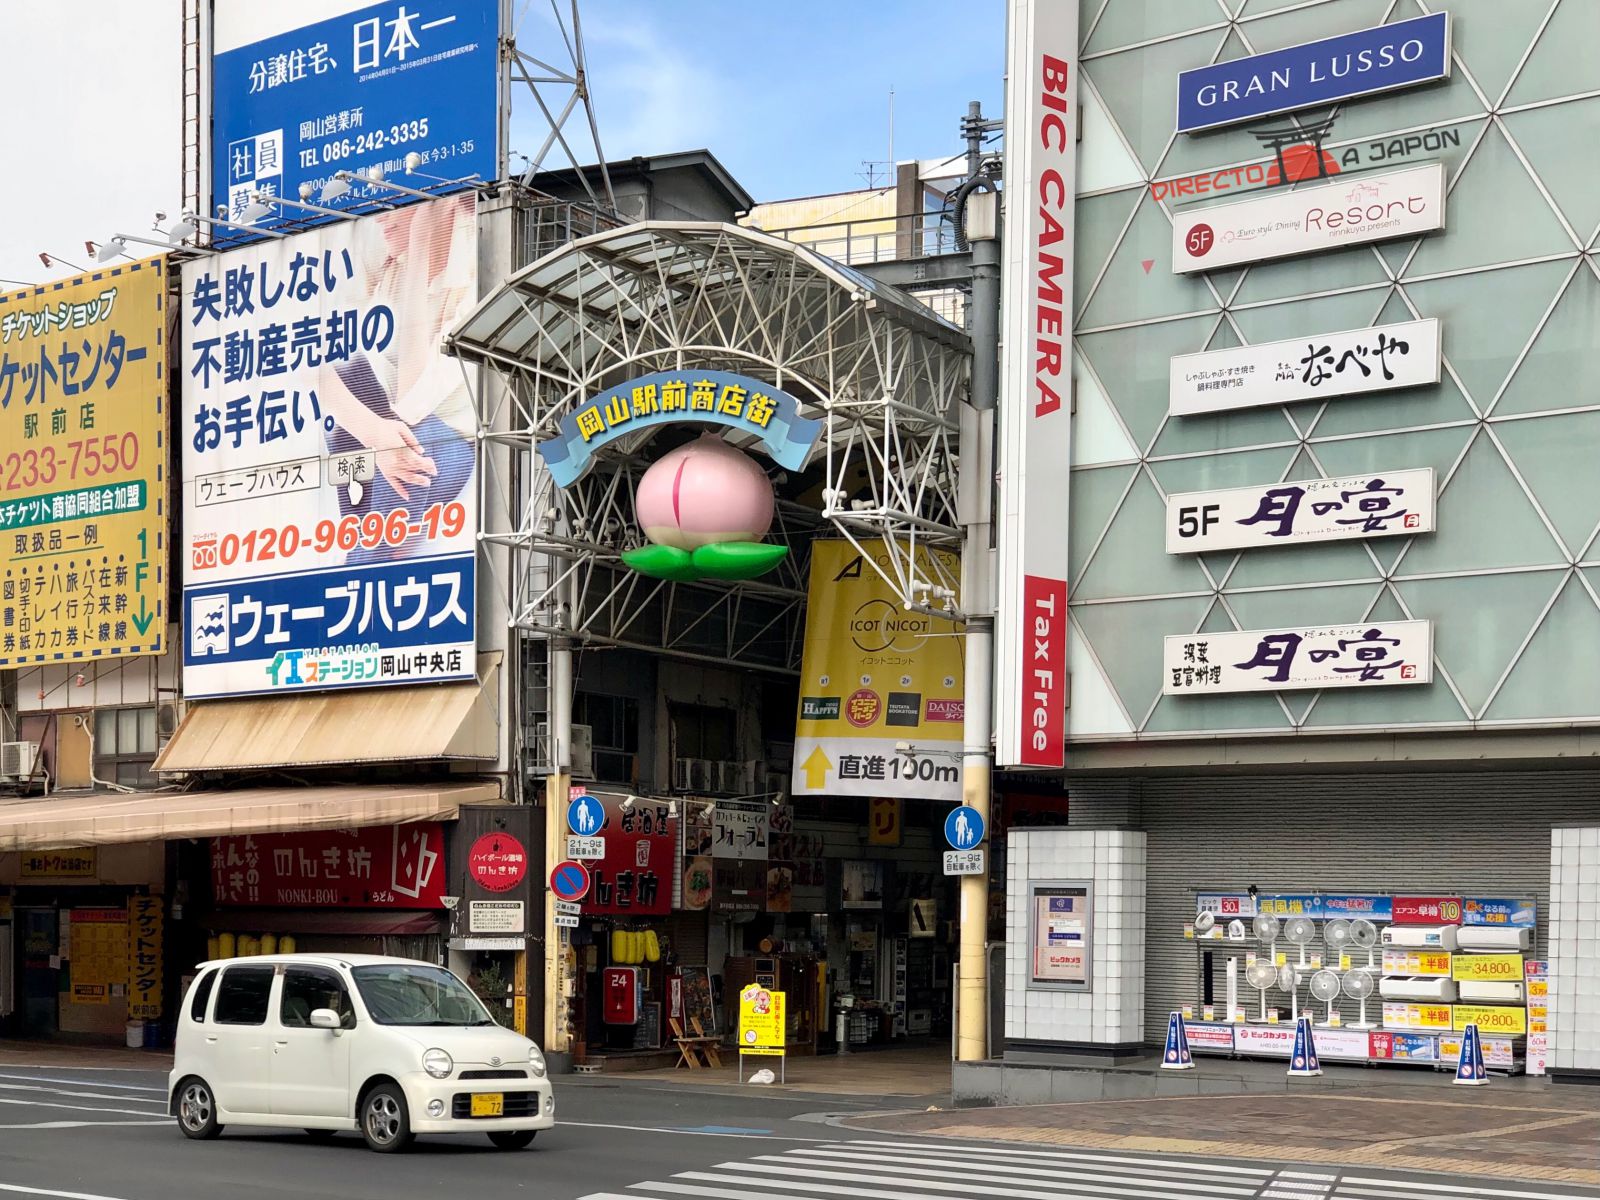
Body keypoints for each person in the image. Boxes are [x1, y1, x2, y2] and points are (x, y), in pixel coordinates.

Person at [318, 193, 477, 564]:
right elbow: (315, 364)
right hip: (382, 426)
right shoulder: (381, 242)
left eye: (399, 206)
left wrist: (422, 249)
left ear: (445, 206)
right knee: (343, 393)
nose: (379, 218)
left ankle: (374, 557)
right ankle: (373, 549)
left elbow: (412, 402)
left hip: (449, 440)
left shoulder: (476, 269)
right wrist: (375, 435)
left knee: (416, 441)